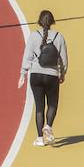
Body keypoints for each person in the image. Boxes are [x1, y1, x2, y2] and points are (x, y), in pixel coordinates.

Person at [19, 9, 67, 147]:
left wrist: (23, 72)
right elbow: (63, 58)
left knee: (39, 107)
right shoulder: (59, 37)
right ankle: (48, 126)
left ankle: (40, 138)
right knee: (52, 104)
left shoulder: (34, 36)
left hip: (36, 74)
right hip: (52, 75)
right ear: (52, 21)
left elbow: (27, 56)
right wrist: (62, 73)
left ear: (39, 21)